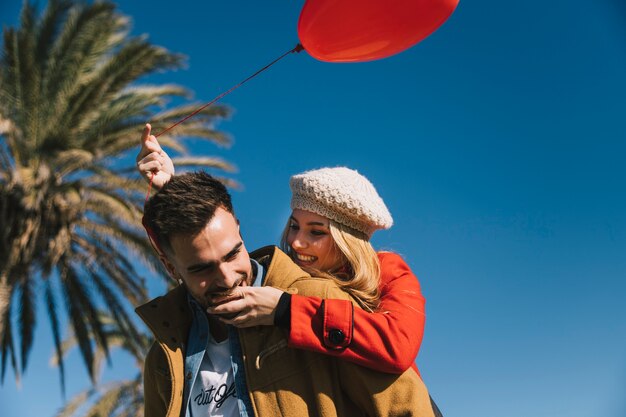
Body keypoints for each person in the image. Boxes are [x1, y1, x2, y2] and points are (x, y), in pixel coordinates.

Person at [138, 170, 435, 417]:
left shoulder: (341, 288)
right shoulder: (164, 357)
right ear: (170, 267)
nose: (296, 242)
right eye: (201, 269)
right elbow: (200, 236)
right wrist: (172, 188)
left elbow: (399, 353)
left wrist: (285, 311)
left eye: (316, 232)